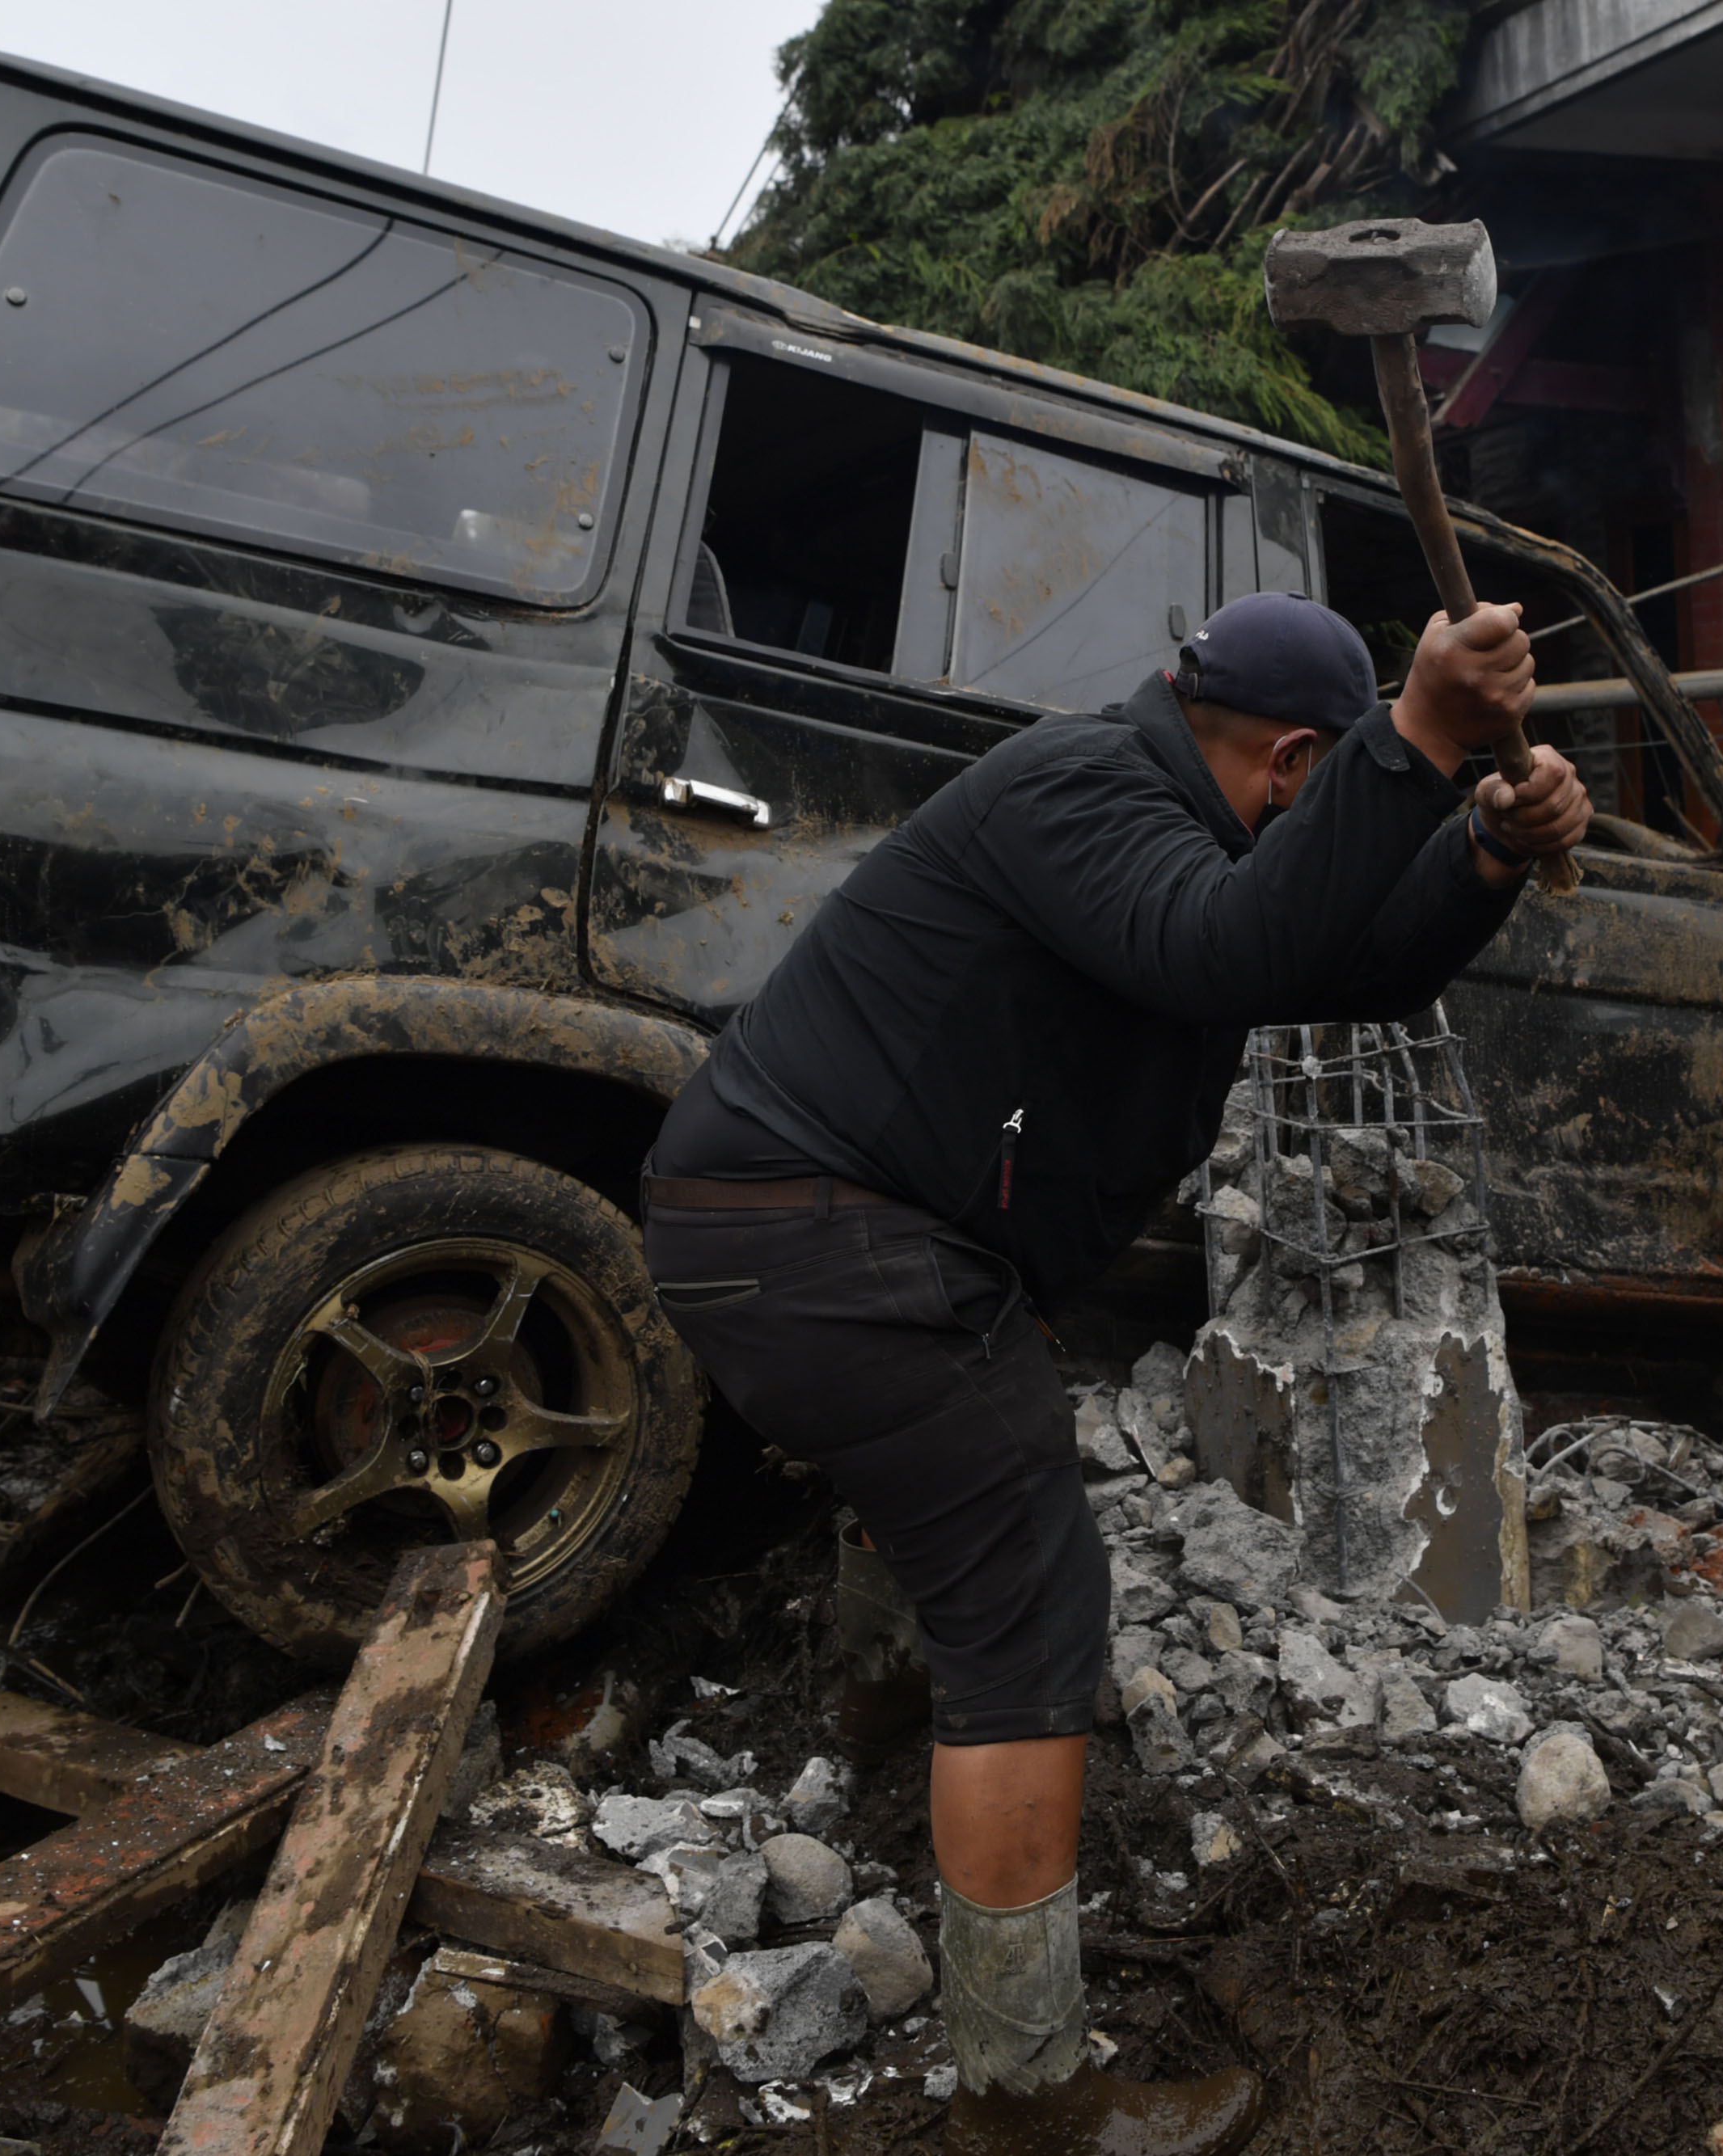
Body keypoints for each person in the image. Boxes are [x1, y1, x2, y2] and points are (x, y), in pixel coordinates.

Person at [640, 589, 1588, 2156]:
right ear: (1295, 757)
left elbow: (1335, 960)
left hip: (833, 1233)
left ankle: (889, 1755)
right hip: (820, 1233)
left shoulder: (1162, 804)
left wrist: (1479, 846)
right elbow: (1234, 941)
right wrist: (1421, 737)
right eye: (1333, 773)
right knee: (1030, 1599)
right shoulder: (1078, 788)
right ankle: (1024, 2096)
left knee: (954, 1486)